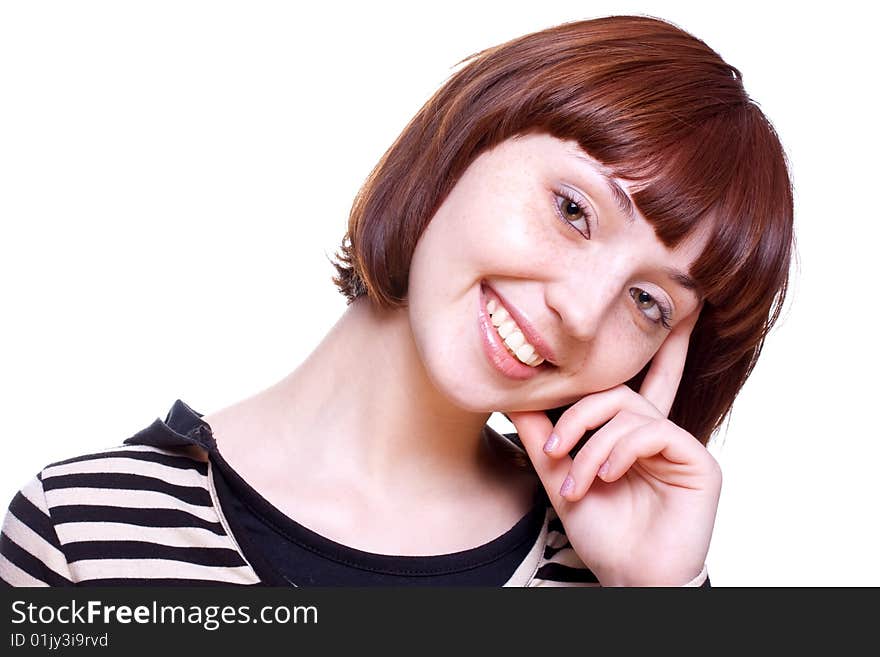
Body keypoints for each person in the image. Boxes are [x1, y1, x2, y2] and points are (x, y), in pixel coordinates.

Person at [0, 14, 793, 587]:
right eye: (575, 210)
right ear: (469, 138)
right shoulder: (85, 530)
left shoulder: (620, 575)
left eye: (649, 302)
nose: (584, 312)